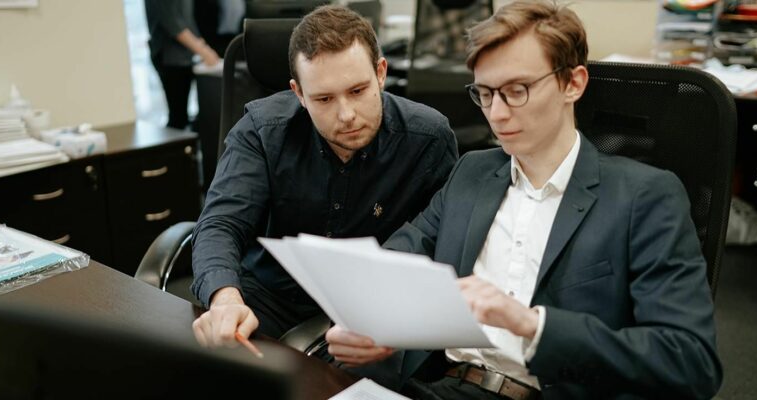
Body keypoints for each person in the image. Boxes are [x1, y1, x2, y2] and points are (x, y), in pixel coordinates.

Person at [324, 1, 723, 398]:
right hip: (443, 386)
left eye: (516, 91)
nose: (496, 114)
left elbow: (690, 362)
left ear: (573, 83)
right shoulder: (472, 173)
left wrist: (530, 324)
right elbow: (400, 258)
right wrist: (369, 320)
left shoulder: (645, 196)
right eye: (485, 94)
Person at [190, 4, 458, 353]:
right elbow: (221, 223)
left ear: (380, 73)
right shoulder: (263, 131)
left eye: (357, 91)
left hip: (371, 306)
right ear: (299, 93)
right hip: (272, 297)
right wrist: (225, 298)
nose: (346, 115)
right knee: (217, 363)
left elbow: (445, 244)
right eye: (324, 99)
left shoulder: (428, 139)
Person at [144, 0, 221, 129]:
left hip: (186, 55)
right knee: (178, 117)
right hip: (170, 57)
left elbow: (187, 19)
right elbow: (172, 22)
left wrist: (200, 44)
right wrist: (202, 50)